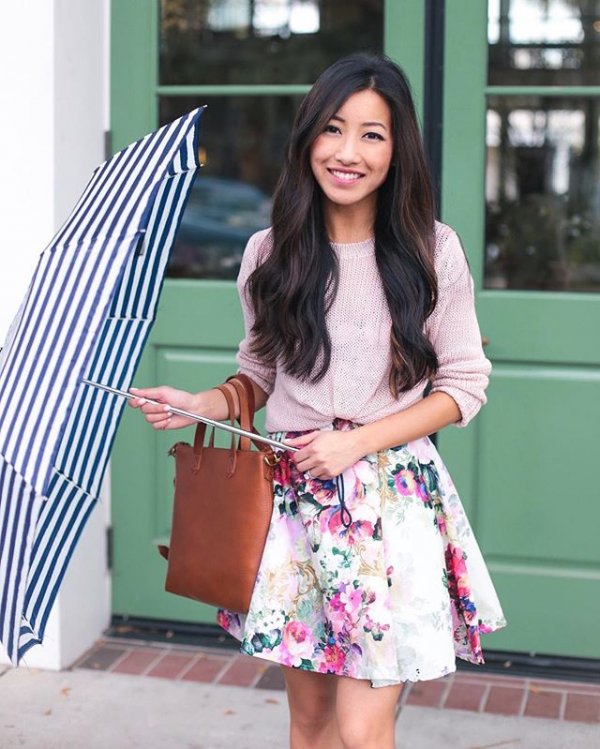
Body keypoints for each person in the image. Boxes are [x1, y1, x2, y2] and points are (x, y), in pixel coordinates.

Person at [129, 53, 506, 749]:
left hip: (388, 503)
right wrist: (201, 403)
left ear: (397, 151)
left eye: (372, 134)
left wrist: (358, 441)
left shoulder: (431, 251)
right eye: (333, 129)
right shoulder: (270, 254)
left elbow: (464, 384)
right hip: (296, 502)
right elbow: (259, 372)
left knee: (363, 731)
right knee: (309, 723)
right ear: (307, 140)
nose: (348, 152)